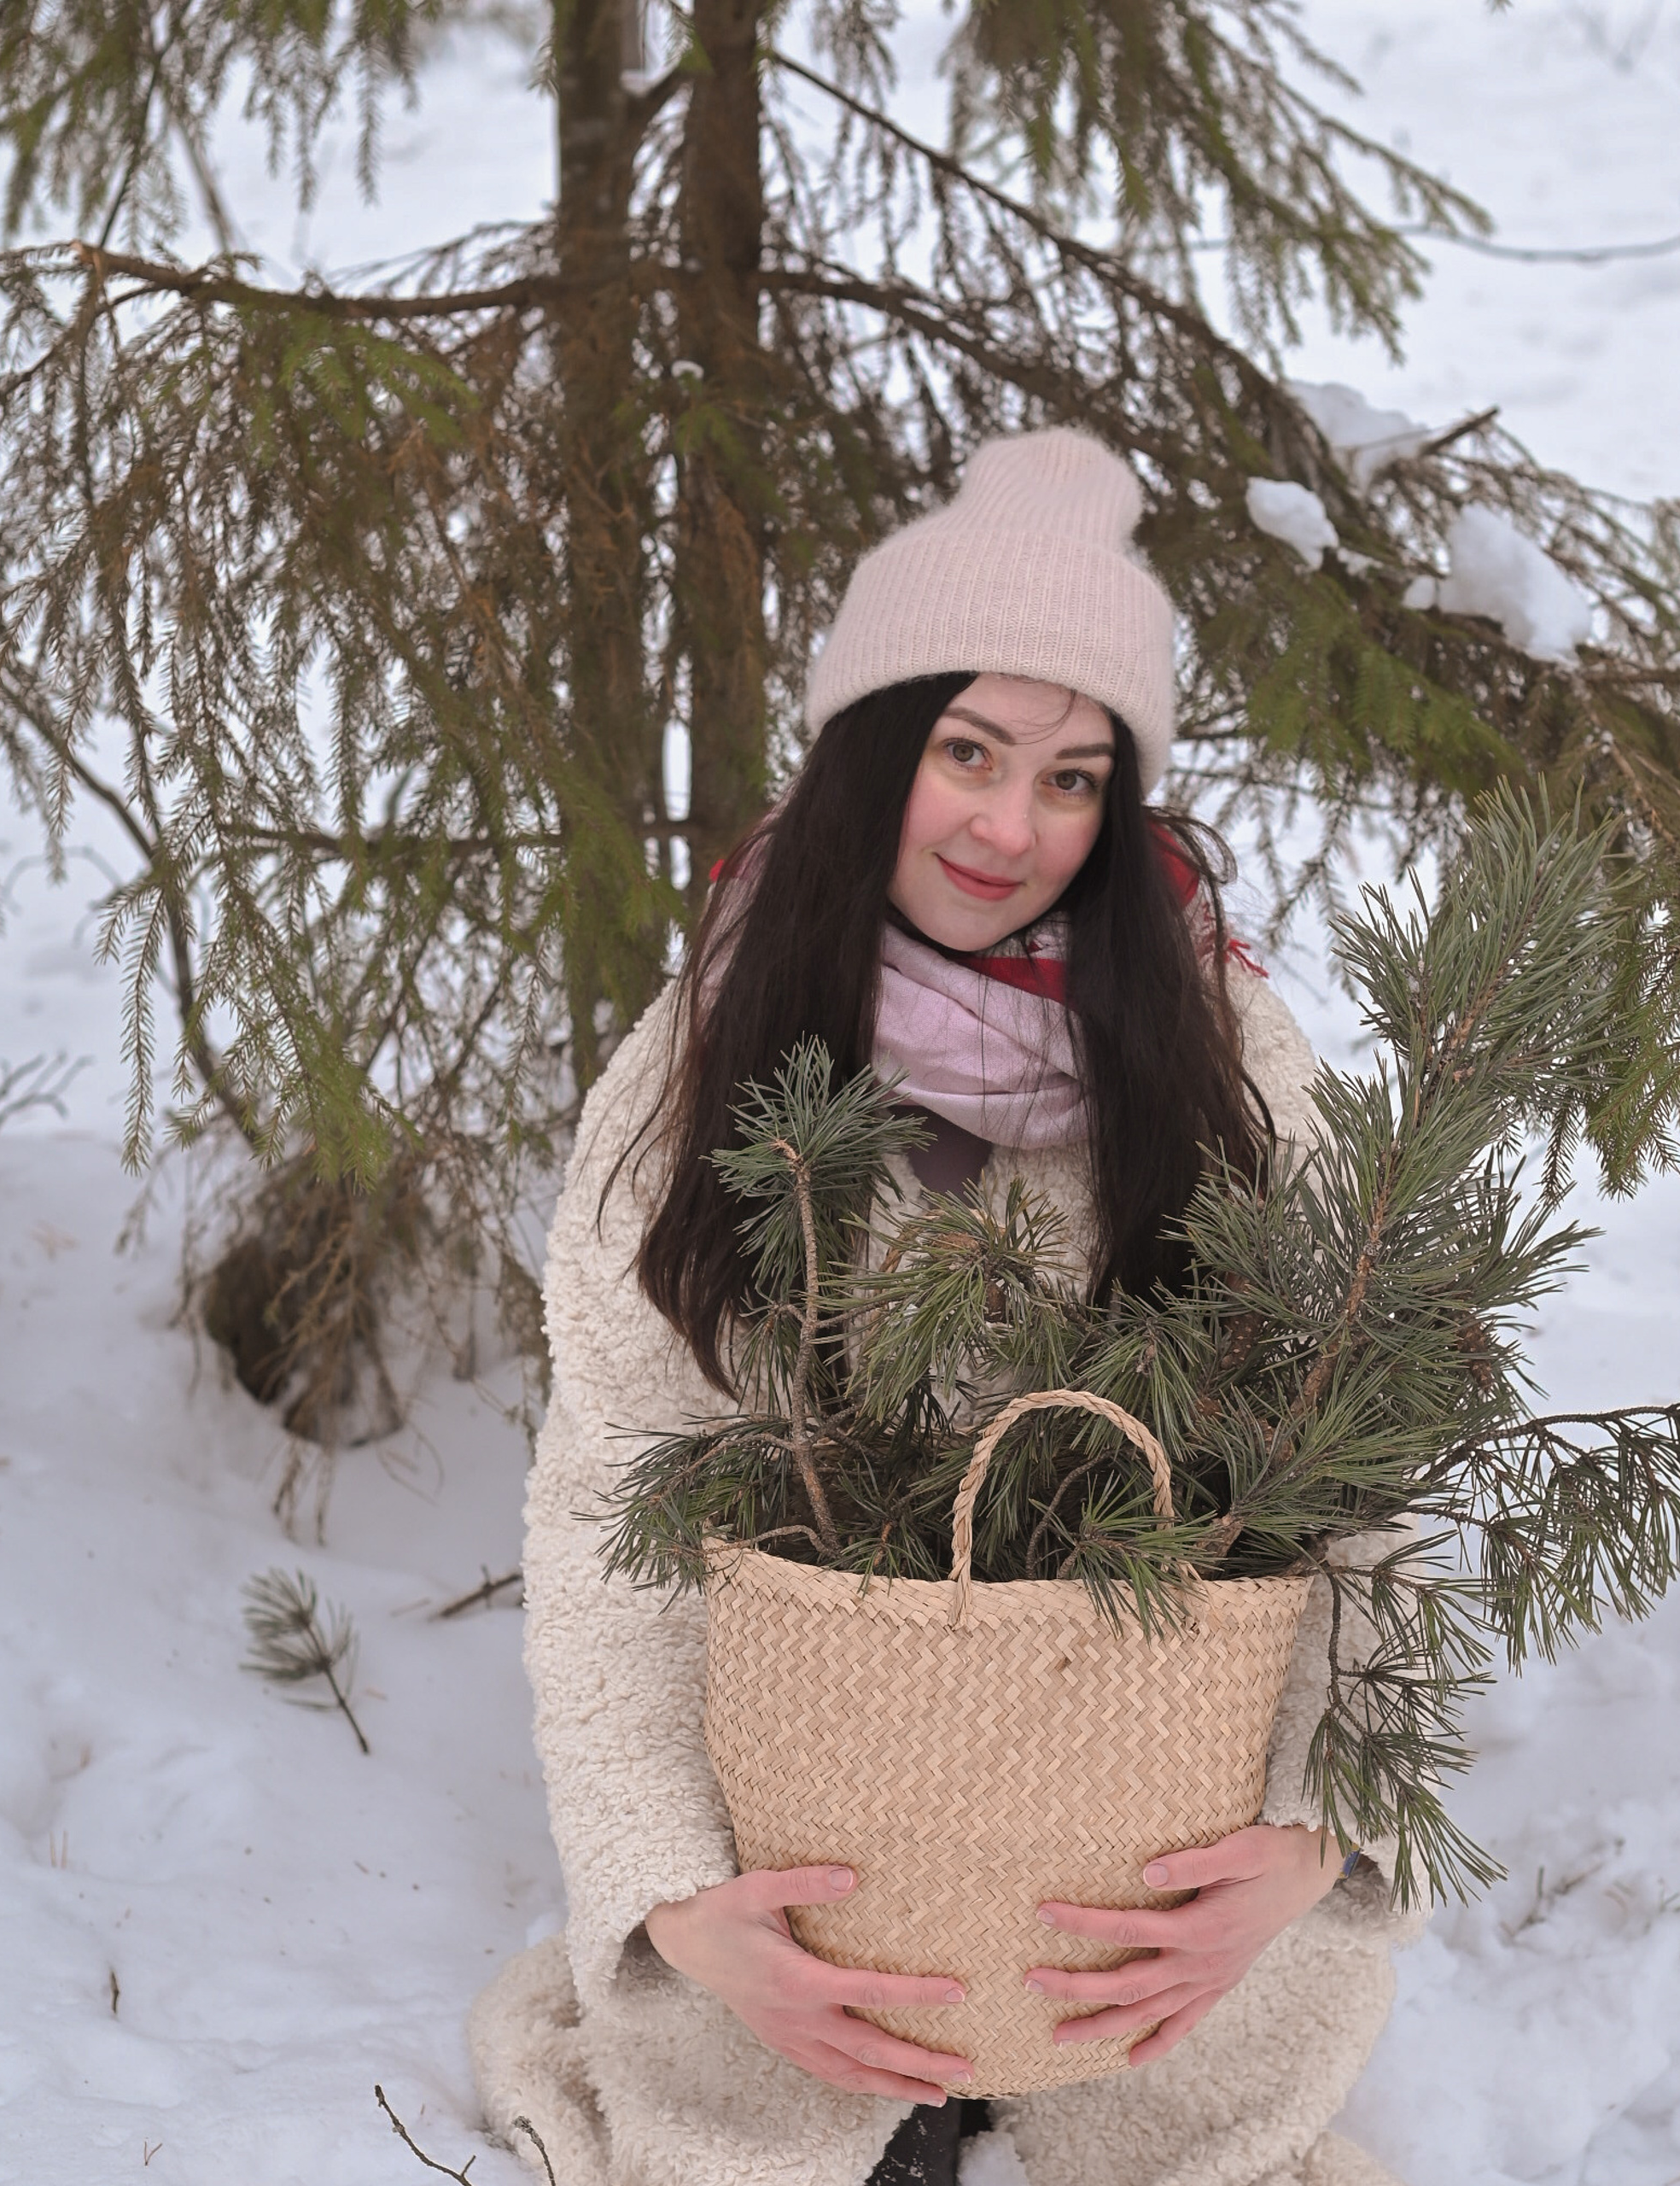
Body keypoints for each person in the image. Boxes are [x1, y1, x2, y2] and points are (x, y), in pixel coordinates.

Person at [470, 430, 1425, 2186]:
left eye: (1071, 778)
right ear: (864, 752)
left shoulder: (1220, 1054)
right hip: (818, 1788)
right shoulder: (706, 1064)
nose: (1009, 824)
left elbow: (1366, 1478)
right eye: (964, 750)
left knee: (1199, 2084)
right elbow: (616, 1498)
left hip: (1144, 1770)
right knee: (749, 2096)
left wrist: (1313, 1831)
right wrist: (679, 1904)